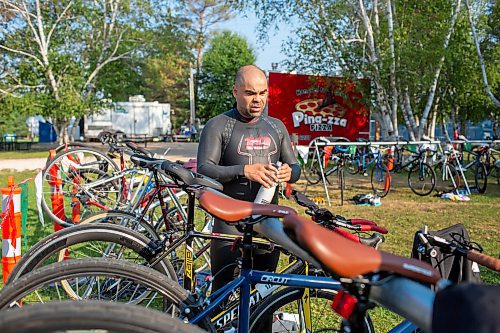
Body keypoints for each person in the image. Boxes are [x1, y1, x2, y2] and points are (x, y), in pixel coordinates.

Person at [197, 65, 301, 294]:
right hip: (229, 220)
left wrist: (288, 173)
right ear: (235, 91)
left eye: (263, 93)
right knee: (222, 292)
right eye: (250, 93)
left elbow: (295, 167)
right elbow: (204, 170)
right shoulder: (219, 125)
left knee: (263, 293)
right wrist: (244, 170)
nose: (258, 100)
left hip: (267, 220)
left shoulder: (276, 126)